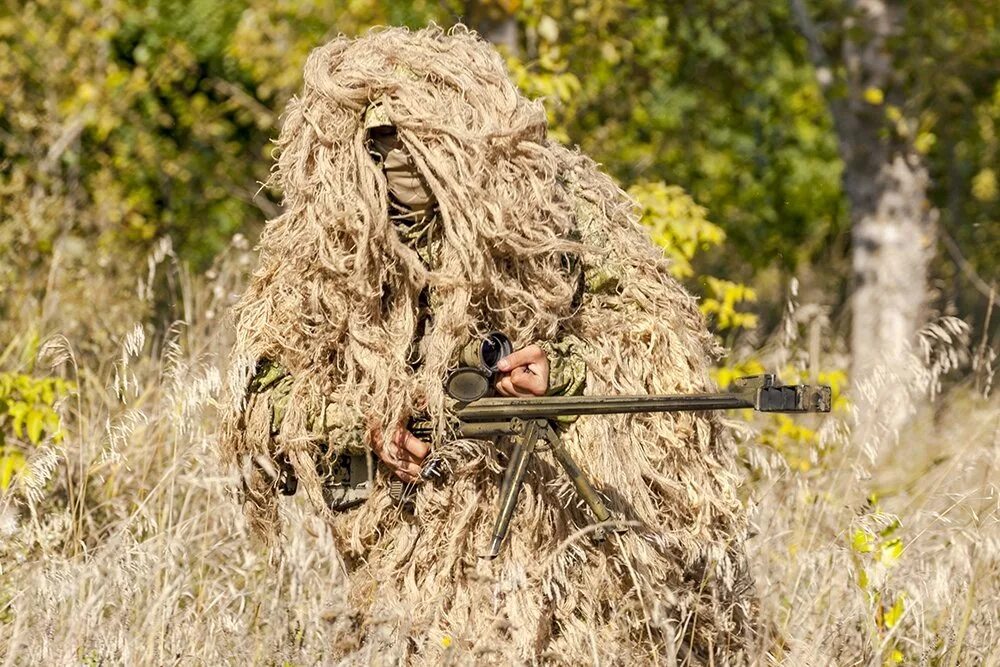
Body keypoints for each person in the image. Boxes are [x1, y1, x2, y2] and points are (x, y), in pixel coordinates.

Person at [222, 25, 753, 665]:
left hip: (553, 528)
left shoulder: (554, 201)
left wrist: (563, 372)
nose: (400, 165)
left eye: (420, 147)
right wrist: (359, 426)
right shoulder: (325, 244)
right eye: (381, 148)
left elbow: (654, 339)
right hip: (401, 545)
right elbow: (257, 399)